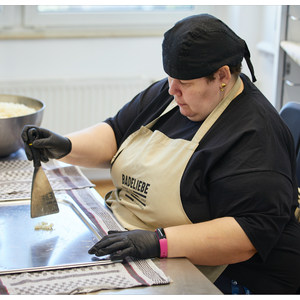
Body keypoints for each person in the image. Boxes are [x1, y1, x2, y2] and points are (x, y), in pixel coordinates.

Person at [21, 14, 300, 294]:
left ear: (223, 77)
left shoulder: (256, 134)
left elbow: (247, 234)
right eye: (170, 78)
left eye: (185, 83)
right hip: (143, 241)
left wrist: (159, 242)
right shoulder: (171, 96)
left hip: (234, 277)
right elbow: (118, 133)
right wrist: (64, 146)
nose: (172, 90)